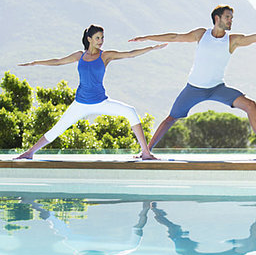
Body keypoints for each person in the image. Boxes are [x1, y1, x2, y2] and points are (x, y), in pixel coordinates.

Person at [129, 5, 256, 158]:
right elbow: (175, 37)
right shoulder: (201, 35)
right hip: (194, 89)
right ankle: (146, 151)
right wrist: (147, 38)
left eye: (232, 18)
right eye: (228, 17)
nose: (231, 21)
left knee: (250, 105)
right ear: (217, 18)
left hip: (217, 88)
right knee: (171, 118)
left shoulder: (232, 40)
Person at [16, 24, 166, 159]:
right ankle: (30, 153)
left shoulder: (105, 55)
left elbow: (130, 53)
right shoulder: (79, 56)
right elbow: (58, 61)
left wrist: (151, 48)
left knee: (131, 111)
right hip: (80, 103)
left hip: (101, 101)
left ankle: (145, 152)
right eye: (97, 38)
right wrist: (35, 63)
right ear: (89, 39)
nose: (100, 41)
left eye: (102, 38)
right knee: (57, 129)